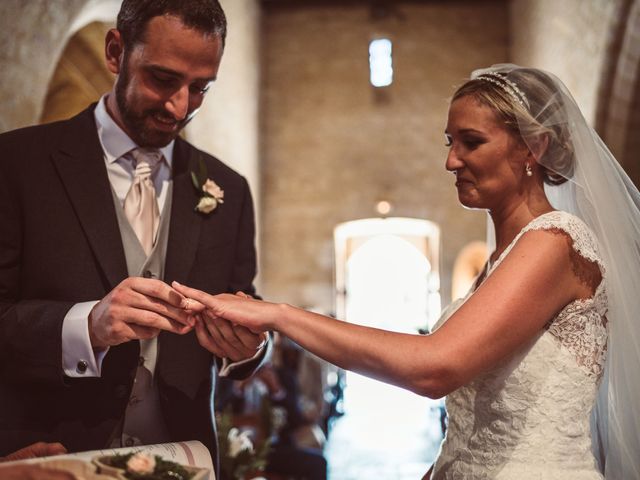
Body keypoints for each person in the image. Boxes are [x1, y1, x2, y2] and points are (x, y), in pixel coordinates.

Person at [175, 64, 640, 479]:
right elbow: (472, 432)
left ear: (533, 148)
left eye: (472, 142)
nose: (451, 161)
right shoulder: (503, 260)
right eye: (449, 141)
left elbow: (435, 367)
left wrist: (279, 315)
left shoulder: (556, 241)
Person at [0, 0, 270, 469]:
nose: (181, 107)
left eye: (201, 88)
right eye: (163, 79)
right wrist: (86, 326)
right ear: (115, 51)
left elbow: (246, 303)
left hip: (184, 459)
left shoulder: (229, 189)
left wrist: (249, 347)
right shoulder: (17, 164)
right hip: (52, 457)